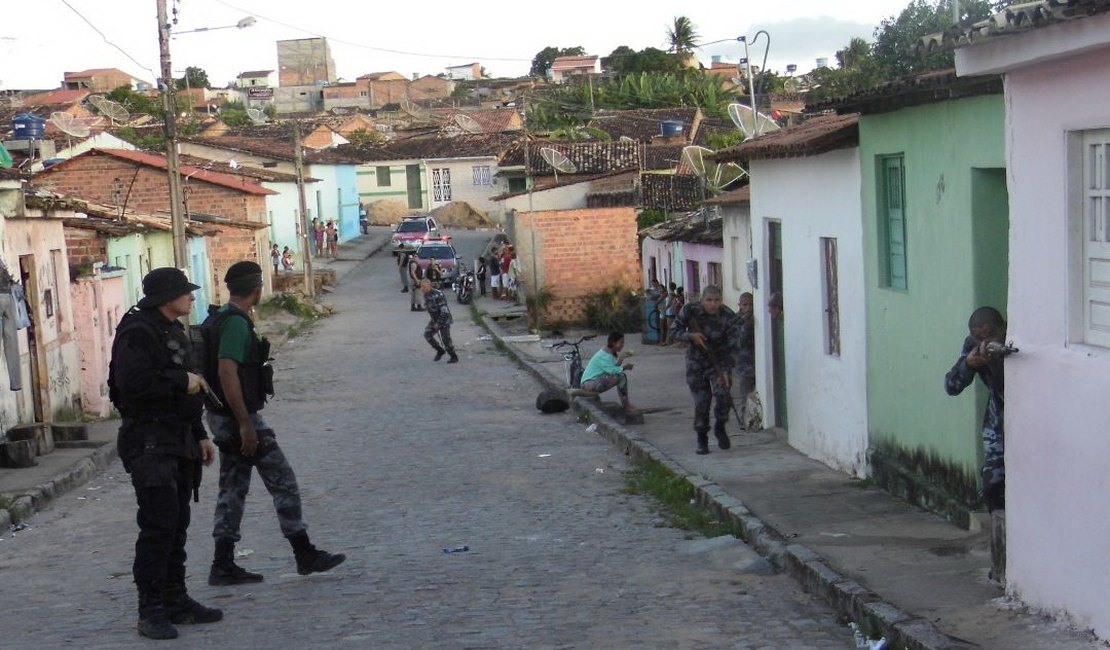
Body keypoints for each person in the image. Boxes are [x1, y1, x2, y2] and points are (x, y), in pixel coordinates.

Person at [204, 261, 345, 585]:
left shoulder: (221, 318)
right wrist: (245, 424)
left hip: (222, 418)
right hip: (237, 419)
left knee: (233, 488)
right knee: (283, 480)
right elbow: (227, 371)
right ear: (257, 289)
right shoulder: (236, 324)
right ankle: (304, 553)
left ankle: (223, 564)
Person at [108, 268, 222, 640]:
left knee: (176, 526)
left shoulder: (171, 330)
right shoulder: (137, 333)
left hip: (177, 439)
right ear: (165, 297)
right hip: (149, 442)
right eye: (184, 293)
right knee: (158, 527)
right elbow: (132, 386)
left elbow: (190, 389)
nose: (191, 297)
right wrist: (181, 381)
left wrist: (199, 433)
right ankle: (151, 611)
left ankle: (176, 600)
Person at [945, 306, 1007, 583]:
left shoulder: (1017, 340)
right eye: (977, 336)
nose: (983, 341)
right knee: (993, 488)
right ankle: (1001, 563)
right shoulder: (974, 346)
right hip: (997, 428)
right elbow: (951, 386)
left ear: (1003, 327)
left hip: (1029, 421)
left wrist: (998, 360)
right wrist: (969, 364)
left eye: (990, 334)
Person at [673, 285, 739, 455]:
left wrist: (726, 369)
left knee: (723, 395)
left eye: (717, 300)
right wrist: (691, 336)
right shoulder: (690, 311)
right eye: (709, 300)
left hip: (718, 362)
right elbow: (674, 331)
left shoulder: (728, 316)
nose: (713, 304)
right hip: (696, 363)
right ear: (702, 300)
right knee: (702, 402)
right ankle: (702, 438)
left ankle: (720, 425)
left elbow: (734, 346)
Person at [580, 332, 638, 413]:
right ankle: (626, 405)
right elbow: (612, 371)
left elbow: (612, 369)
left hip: (591, 383)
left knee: (620, 375)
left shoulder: (607, 353)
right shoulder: (604, 355)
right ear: (613, 343)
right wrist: (625, 367)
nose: (623, 345)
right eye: (621, 342)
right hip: (588, 385)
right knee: (621, 377)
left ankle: (626, 405)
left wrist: (621, 359)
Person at [421, 278, 458, 363]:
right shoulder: (426, 294)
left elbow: (444, 311)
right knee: (427, 334)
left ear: (429, 286)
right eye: (422, 287)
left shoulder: (438, 295)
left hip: (444, 319)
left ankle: (453, 356)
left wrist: (438, 323)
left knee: (446, 340)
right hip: (434, 319)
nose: (422, 289)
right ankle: (440, 350)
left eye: (424, 287)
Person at [734, 292, 756, 429]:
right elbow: (739, 340)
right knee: (745, 394)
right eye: (745, 304)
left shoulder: (756, 318)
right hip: (744, 364)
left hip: (756, 362)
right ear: (740, 306)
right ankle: (744, 420)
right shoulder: (736, 320)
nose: (748, 307)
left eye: (751, 304)